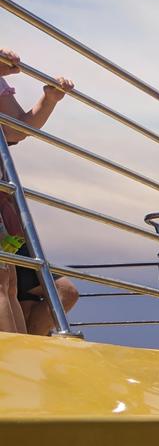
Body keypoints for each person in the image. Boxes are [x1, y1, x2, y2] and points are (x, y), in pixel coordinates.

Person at [0, 47, 79, 335]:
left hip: (4, 200)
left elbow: (15, 130)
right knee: (2, 282)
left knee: (11, 282)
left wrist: (49, 99)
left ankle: (24, 370)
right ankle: (14, 373)